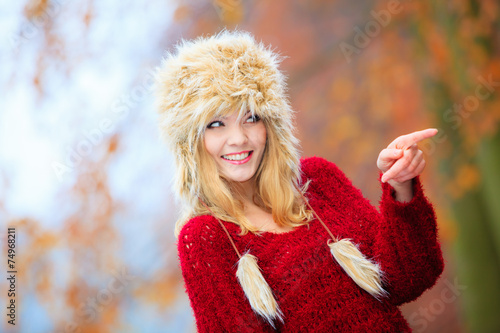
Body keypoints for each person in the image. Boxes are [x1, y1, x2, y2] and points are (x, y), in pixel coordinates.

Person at [154, 29, 444, 332]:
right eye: (216, 124)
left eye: (251, 117)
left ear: (271, 125)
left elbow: (409, 278)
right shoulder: (204, 239)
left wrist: (402, 187)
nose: (238, 138)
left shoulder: (319, 180)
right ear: (190, 143)